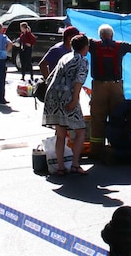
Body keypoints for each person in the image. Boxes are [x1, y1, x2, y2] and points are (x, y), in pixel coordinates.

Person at [88, 24, 131, 160]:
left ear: (100, 35)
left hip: (99, 86)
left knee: (97, 119)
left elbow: (77, 37)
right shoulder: (120, 46)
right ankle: (114, 149)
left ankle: (96, 152)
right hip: (116, 87)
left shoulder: (93, 45)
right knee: (117, 117)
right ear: (112, 35)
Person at [41, 34, 90, 176]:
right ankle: (75, 164)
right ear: (85, 47)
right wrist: (75, 100)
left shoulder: (65, 57)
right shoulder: (82, 61)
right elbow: (78, 82)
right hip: (67, 97)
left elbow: (51, 76)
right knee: (80, 130)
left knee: (61, 133)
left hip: (53, 96)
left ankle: (60, 167)